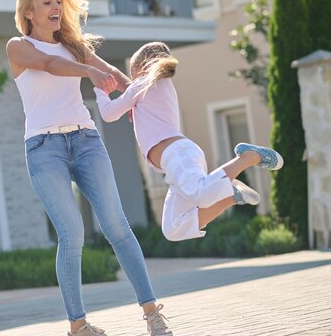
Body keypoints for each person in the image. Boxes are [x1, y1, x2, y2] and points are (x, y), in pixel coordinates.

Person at [5, 0, 173, 336]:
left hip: (85, 140)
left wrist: (141, 95)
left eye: (58, 2)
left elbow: (115, 78)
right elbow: (49, 65)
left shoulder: (73, 45)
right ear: (29, 11)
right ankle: (78, 330)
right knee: (72, 233)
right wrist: (90, 72)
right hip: (43, 147)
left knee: (117, 225)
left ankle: (152, 314)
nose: (55, 8)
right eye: (46, 2)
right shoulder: (19, 46)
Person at [94, 42, 284, 241]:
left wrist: (101, 90)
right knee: (173, 229)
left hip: (178, 156)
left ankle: (248, 157)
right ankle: (231, 195)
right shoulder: (156, 87)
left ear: (141, 69)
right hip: (176, 163)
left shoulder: (144, 83)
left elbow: (109, 114)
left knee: (202, 195)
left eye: (132, 73)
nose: (131, 79)